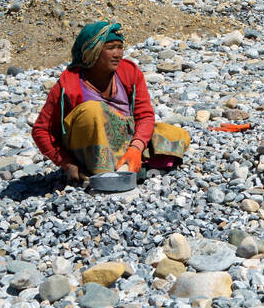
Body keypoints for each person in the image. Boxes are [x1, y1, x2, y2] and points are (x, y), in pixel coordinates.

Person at [31, 21, 190, 185]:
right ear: (93, 51)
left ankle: (129, 161)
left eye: (120, 47)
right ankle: (104, 172)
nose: (117, 54)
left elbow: (145, 115)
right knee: (93, 110)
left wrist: (136, 148)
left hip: (124, 139)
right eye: (110, 48)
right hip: (88, 146)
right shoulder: (69, 84)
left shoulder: (129, 72)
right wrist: (66, 163)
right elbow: (41, 130)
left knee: (176, 135)